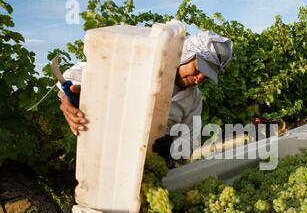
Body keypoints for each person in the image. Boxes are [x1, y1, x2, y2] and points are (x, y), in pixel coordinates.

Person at [57, 30, 233, 161]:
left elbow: (190, 144)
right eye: (200, 67)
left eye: (207, 75)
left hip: (150, 169)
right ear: (186, 53)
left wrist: (174, 146)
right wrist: (66, 98)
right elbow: (75, 73)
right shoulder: (143, 66)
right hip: (113, 158)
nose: (200, 78)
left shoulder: (193, 101)